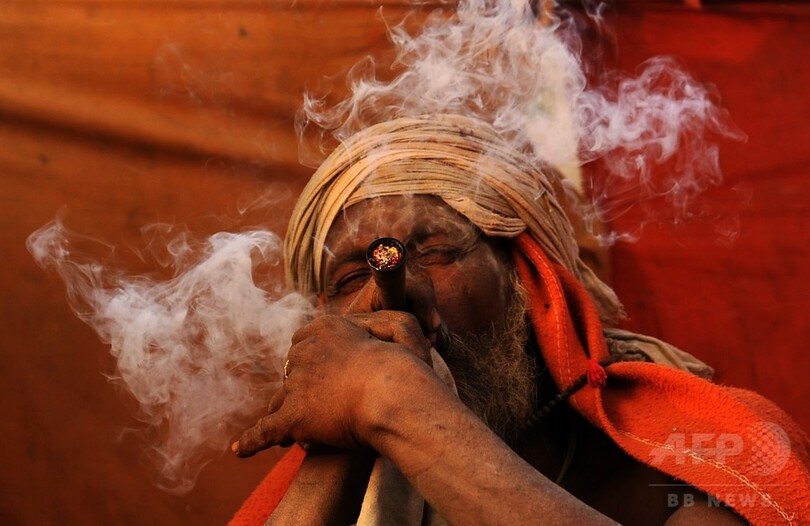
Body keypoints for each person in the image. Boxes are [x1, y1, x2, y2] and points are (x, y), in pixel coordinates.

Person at [230, 115, 809, 525]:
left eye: (434, 253)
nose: (393, 293)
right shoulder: (339, 468)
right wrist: (342, 439)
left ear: (530, 279)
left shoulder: (690, 457)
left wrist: (395, 402)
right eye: (350, 280)